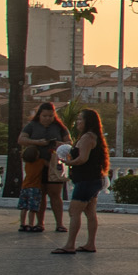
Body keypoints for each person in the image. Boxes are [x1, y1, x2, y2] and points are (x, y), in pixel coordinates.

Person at [55, 109, 108, 255]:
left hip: (86, 180)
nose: (77, 122)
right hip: (93, 179)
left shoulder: (87, 137)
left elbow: (83, 159)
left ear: (88, 121)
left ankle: (70, 245)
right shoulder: (93, 136)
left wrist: (68, 163)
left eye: (80, 119)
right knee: (90, 212)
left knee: (74, 211)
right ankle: (90, 244)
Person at [17, 100, 69, 234]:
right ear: (39, 115)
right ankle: (40, 223)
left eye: (50, 116)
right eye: (45, 116)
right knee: (40, 195)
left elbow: (69, 142)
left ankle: (60, 224)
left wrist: (60, 144)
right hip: (37, 165)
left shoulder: (59, 127)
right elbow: (21, 139)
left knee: (55, 195)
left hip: (54, 165)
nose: (47, 118)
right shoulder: (31, 126)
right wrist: (37, 142)